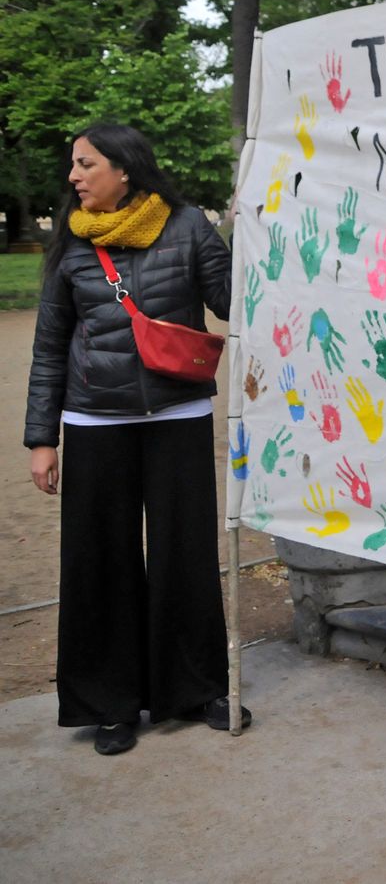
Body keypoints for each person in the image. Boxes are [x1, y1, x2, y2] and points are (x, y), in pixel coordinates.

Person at [24, 123, 246, 756]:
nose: (73, 176)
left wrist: (254, 235)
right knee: (101, 561)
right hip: (95, 420)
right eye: (75, 165)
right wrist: (43, 438)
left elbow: (233, 302)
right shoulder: (70, 242)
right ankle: (111, 703)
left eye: (84, 163)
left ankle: (195, 688)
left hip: (177, 414)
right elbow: (48, 347)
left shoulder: (186, 227)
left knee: (187, 554)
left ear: (124, 168)